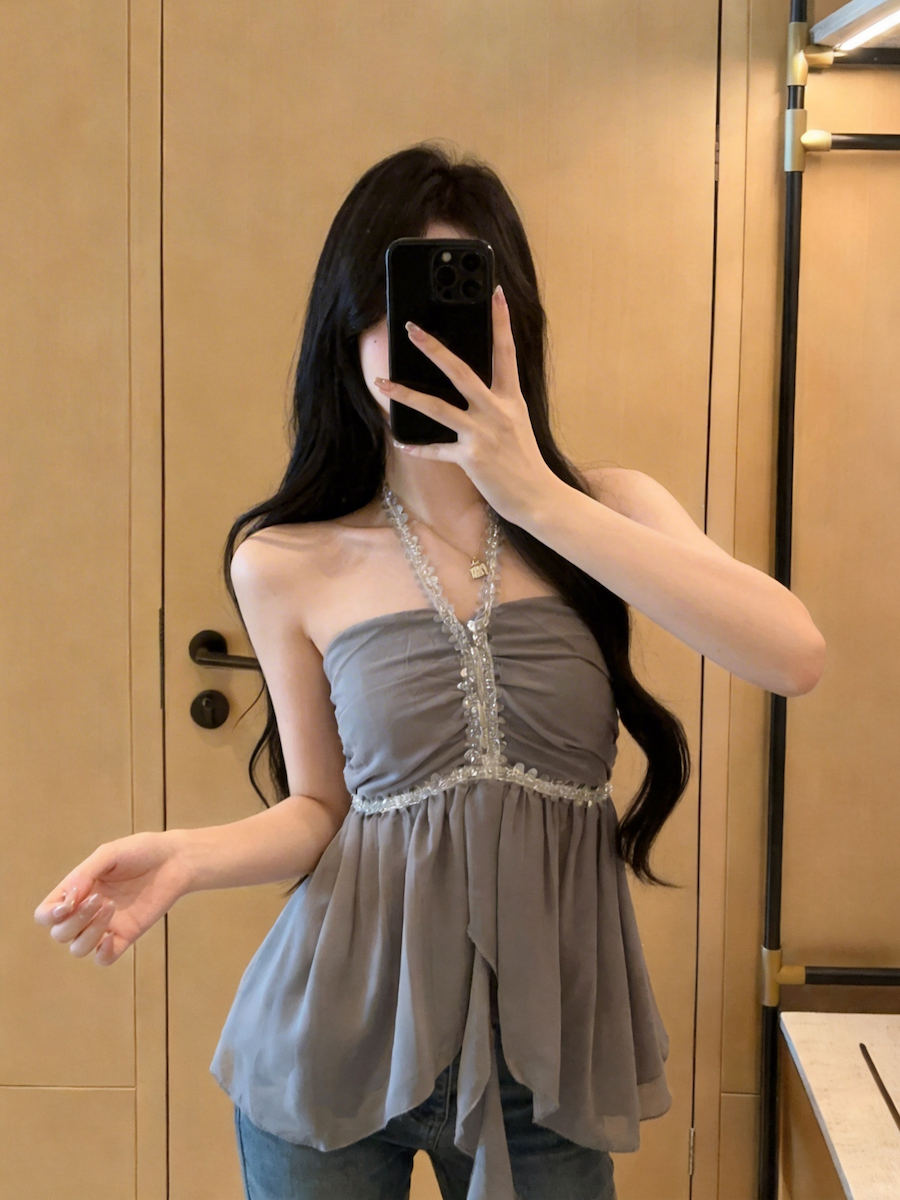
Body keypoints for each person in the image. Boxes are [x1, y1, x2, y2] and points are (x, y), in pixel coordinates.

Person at [34, 143, 826, 1200]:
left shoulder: (608, 509)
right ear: (344, 329)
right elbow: (321, 807)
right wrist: (187, 856)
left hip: (542, 1062)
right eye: (390, 312)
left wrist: (535, 497)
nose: (418, 346)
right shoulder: (285, 560)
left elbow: (792, 653)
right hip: (331, 1035)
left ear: (512, 327)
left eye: (453, 313)